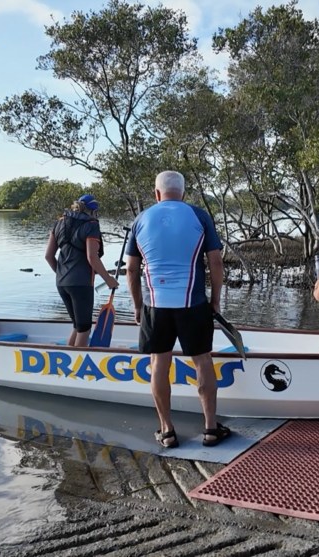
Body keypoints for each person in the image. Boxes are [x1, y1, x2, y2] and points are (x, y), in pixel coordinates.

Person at [125, 170, 229, 449]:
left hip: (155, 305)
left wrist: (137, 306)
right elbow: (216, 263)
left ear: (157, 193)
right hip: (192, 303)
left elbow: (132, 270)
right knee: (203, 361)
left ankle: (167, 431)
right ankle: (210, 428)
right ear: (183, 193)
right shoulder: (198, 215)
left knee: (159, 363)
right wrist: (216, 301)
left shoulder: (140, 220)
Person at [44, 194, 119, 346]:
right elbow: (92, 257)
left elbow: (48, 256)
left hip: (61, 283)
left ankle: (68, 361)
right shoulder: (91, 225)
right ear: (93, 210)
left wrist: (61, 274)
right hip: (81, 283)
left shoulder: (59, 223)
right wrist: (109, 280)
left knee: (78, 326)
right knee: (84, 328)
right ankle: (78, 366)